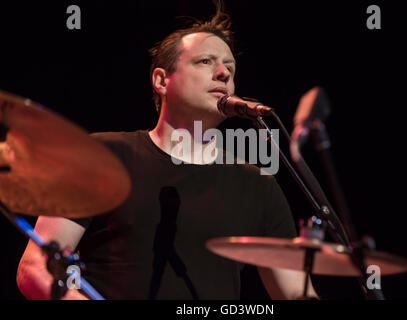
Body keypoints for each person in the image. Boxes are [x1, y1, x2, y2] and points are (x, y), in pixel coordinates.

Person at [16, 5, 317, 300]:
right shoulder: (102, 155)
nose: (224, 73)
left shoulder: (257, 184)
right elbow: (36, 269)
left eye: (230, 67)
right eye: (205, 62)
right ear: (161, 80)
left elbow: (295, 293)